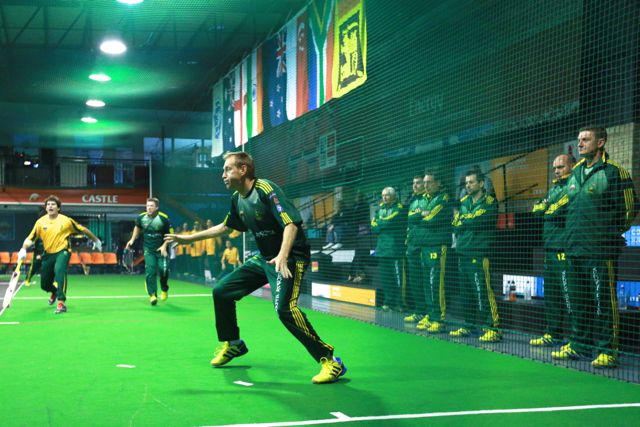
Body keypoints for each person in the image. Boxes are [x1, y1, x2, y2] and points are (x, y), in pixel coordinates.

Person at [164, 151, 346, 384]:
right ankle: (234, 344)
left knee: (285, 309)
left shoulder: (266, 189)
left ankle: (330, 361)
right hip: (265, 258)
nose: (223, 175)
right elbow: (225, 227)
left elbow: (291, 224)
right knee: (222, 291)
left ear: (243, 170)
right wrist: (187, 239)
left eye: (227, 169)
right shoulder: (237, 199)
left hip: (291, 257)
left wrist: (283, 255)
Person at [551, 126, 638, 368]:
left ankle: (607, 351)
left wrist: (607, 235)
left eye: (586, 139)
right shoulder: (575, 173)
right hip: (573, 249)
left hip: (600, 251)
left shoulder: (614, 172)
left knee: (603, 304)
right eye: (579, 139)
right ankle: (579, 345)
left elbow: (629, 208)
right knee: (578, 302)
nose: (580, 143)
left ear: (600, 142)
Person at [17, 195, 102, 314]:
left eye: (53, 204)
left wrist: (96, 240)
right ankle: (54, 291)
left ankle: (61, 303)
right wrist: (23, 249)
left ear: (58, 208)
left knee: (59, 271)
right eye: (48, 204)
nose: (50, 206)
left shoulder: (66, 221)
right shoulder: (40, 222)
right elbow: (30, 238)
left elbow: (83, 229)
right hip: (48, 254)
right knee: (44, 285)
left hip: (63, 251)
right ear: (46, 208)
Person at [529, 154, 575, 347]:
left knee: (570, 296)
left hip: (565, 250)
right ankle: (552, 334)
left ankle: (575, 340)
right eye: (555, 168)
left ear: (572, 166)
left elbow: (556, 210)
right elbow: (535, 210)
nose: (556, 171)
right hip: (549, 250)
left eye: (561, 167)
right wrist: (547, 207)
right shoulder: (554, 189)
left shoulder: (572, 186)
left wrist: (547, 208)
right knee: (552, 297)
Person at [450, 170, 501, 342]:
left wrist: (464, 220)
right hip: (462, 252)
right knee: (466, 293)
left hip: (479, 253)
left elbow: (475, 221)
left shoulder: (490, 201)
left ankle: (493, 328)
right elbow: (456, 225)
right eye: (466, 183)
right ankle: (469, 325)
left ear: (481, 183)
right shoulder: (464, 201)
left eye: (471, 182)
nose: (468, 185)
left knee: (483, 291)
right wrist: (466, 220)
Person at [417, 171, 452, 333]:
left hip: (438, 246)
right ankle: (431, 315)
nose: (426, 185)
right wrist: (422, 215)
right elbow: (412, 217)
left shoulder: (443, 198)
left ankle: (439, 318)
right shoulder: (423, 199)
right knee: (427, 283)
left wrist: (423, 216)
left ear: (438, 183)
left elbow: (432, 219)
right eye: (424, 182)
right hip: (424, 246)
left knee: (436, 283)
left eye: (429, 182)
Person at [126, 198, 174, 305]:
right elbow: (137, 227)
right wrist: (132, 239)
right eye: (147, 206)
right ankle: (152, 295)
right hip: (149, 250)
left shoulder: (164, 218)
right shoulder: (141, 217)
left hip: (162, 250)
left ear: (156, 207)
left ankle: (164, 289)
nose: (149, 208)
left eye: (151, 206)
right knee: (150, 271)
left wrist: (164, 246)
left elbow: (170, 235)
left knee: (164, 270)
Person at [371, 187, 406, 311]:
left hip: (395, 250)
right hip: (382, 250)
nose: (384, 197)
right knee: (386, 279)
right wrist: (382, 225)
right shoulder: (379, 210)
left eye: (387, 195)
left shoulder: (400, 208)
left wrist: (380, 224)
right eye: (383, 195)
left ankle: (400, 304)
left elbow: (389, 222)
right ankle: (388, 302)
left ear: (394, 196)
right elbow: (373, 226)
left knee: (398, 279)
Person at [403, 175, 427, 323]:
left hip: (423, 245)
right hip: (411, 245)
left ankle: (429, 314)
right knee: (415, 280)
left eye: (418, 183)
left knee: (426, 281)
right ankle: (419, 311)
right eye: (413, 183)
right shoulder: (412, 201)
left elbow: (427, 216)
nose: (415, 186)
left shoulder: (427, 199)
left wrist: (416, 216)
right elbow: (411, 219)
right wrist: (418, 215)